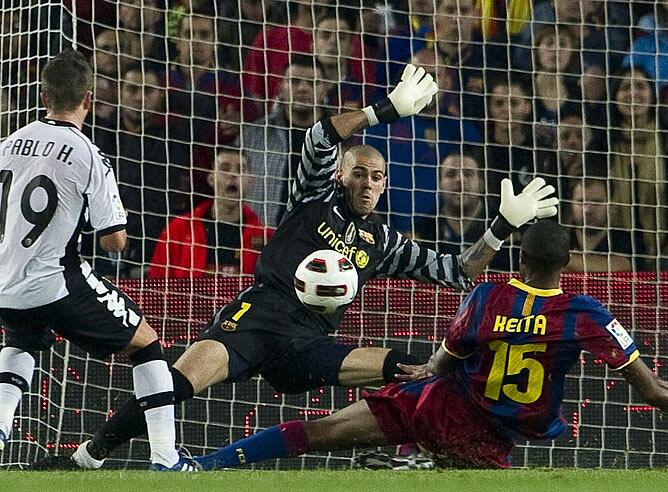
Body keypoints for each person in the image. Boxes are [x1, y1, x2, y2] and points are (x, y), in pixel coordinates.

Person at [32, 63, 557, 470]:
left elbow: (457, 270)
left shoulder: (385, 241)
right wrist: (384, 111)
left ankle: (411, 452)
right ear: (343, 175)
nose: (368, 183)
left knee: (413, 367)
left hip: (310, 343)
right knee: (175, 381)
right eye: (360, 173)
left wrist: (501, 227)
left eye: (377, 177)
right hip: (259, 317)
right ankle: (89, 456)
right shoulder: (314, 196)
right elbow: (321, 138)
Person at [192, 220, 668, 471]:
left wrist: (426, 371)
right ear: (568, 261)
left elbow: (447, 358)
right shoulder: (588, 315)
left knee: (326, 430)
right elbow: (651, 393)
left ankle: (206, 465)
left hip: (438, 404)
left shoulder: (488, 294)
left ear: (519, 256)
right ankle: (415, 457)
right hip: (488, 439)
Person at [0, 50, 194, 471]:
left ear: (42, 94)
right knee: (146, 343)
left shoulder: (6, 145)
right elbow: (115, 242)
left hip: (4, 280)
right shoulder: (87, 153)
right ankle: (166, 458)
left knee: (20, 340)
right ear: (89, 98)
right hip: (53, 280)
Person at [148, 148, 271, 278]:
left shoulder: (265, 238)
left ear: (250, 181)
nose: (233, 175)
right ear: (211, 178)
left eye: (240, 170)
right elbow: (157, 284)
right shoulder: (177, 230)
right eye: (225, 168)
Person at [564, 178, 633, 272]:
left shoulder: (626, 239)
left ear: (610, 205)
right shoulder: (560, 239)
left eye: (596, 202)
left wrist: (561, 260)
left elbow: (620, 267)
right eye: (581, 202)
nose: (587, 210)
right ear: (571, 204)